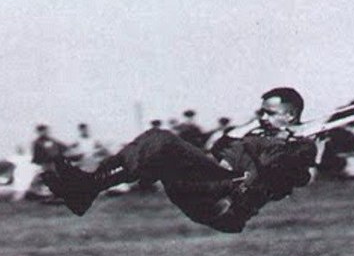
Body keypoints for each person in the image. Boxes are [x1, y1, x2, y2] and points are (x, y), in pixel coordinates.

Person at [42, 87, 317, 233]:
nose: (262, 117)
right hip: (204, 186)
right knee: (156, 141)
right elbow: (217, 149)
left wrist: (288, 143)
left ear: (290, 115)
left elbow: (289, 177)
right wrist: (243, 130)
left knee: (163, 140)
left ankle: (86, 189)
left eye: (269, 113)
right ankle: (88, 186)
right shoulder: (252, 131)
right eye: (261, 112)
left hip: (228, 200)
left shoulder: (300, 146)